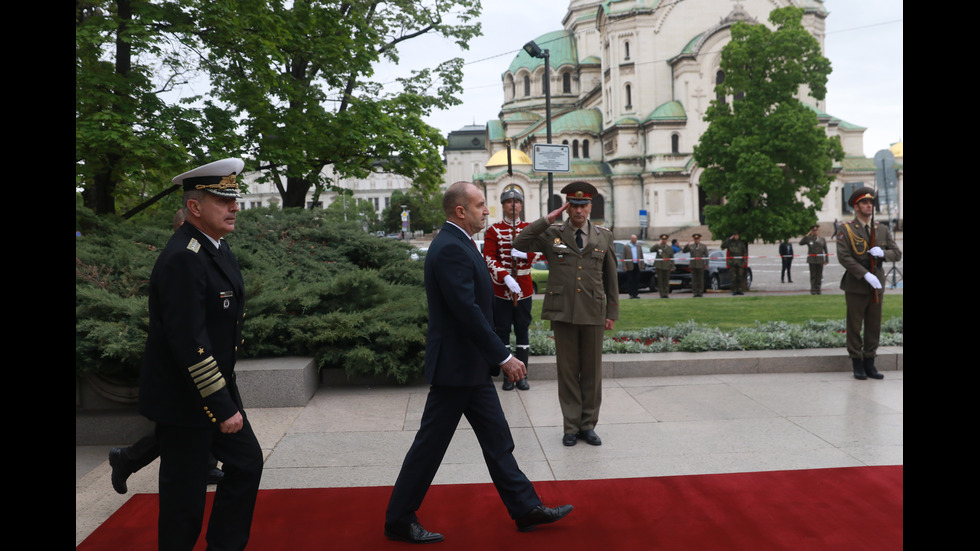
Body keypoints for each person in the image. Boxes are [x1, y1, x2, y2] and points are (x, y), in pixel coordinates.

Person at [384, 182, 573, 544]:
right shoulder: (451, 247)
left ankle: (524, 507)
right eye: (481, 205)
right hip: (456, 369)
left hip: (468, 368)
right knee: (430, 446)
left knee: (498, 438)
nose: (488, 210)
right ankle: (398, 519)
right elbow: (466, 311)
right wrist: (504, 356)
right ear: (461, 211)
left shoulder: (460, 242)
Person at [138, 158, 263, 550]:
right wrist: (222, 406)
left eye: (234, 199)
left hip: (214, 390)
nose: (235, 207)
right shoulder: (183, 259)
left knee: (246, 464)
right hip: (185, 398)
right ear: (195, 207)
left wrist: (225, 399)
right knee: (184, 503)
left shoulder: (216, 248)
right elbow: (189, 343)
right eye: (223, 200)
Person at [109, 208, 223, 496]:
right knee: (184, 424)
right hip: (186, 365)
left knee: (189, 423)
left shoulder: (204, 253)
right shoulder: (182, 258)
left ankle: (129, 459)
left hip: (206, 359)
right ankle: (129, 458)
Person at [513, 182, 619, 447]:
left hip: (594, 311)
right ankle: (571, 426)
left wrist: (612, 312)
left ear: (590, 207)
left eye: (584, 205)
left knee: (592, 373)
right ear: (567, 207)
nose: (579, 210)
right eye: (574, 205)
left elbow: (611, 278)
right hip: (563, 312)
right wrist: (546, 219)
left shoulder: (603, 236)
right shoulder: (552, 234)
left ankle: (588, 425)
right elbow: (520, 241)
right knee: (568, 372)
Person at [836, 187, 902, 380]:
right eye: (864, 203)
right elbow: (844, 257)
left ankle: (870, 363)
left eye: (871, 203)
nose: (869, 206)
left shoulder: (880, 229)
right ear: (856, 207)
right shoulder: (846, 229)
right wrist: (864, 274)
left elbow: (897, 253)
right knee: (855, 325)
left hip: (877, 284)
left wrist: (883, 254)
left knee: (874, 325)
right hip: (857, 285)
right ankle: (857, 363)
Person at [483, 185, 537, 391]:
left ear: (521, 206)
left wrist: (524, 255)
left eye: (516, 202)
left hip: (524, 288)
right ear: (503, 206)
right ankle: (508, 377)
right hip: (501, 290)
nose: (512, 205)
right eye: (508, 202)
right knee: (502, 331)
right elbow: (488, 257)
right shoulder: (494, 230)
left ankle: (522, 377)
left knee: (522, 331)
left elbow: (540, 251)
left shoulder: (530, 229)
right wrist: (504, 276)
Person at [800, 225, 829, 295]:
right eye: (814, 231)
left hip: (820, 260)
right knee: (813, 275)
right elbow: (801, 243)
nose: (815, 232)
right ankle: (813, 290)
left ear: (818, 231)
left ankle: (818, 289)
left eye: (816, 231)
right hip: (812, 260)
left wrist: (826, 260)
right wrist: (807, 234)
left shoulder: (822, 239)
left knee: (819, 275)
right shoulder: (809, 239)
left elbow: (825, 250)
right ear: (812, 232)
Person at [682, 233, 708, 297]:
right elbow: (684, 251)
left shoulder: (703, 246)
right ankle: (695, 292)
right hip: (693, 265)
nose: (696, 240)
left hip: (700, 265)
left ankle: (700, 292)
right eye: (695, 239)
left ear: (700, 239)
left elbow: (706, 256)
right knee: (694, 280)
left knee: (700, 279)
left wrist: (706, 264)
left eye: (697, 239)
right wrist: (687, 244)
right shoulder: (691, 246)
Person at [649, 233, 674, 298]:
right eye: (663, 239)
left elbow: (672, 258)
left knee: (666, 280)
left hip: (667, 266)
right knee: (660, 281)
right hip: (659, 266)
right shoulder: (658, 247)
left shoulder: (669, 248)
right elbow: (651, 250)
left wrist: (672, 266)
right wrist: (657, 244)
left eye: (665, 239)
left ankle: (666, 293)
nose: (664, 240)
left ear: (667, 240)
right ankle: (661, 293)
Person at [621, 234, 645, 299]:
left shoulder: (639, 246)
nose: (635, 240)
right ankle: (631, 294)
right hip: (630, 265)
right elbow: (624, 257)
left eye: (636, 239)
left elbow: (641, 256)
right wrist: (624, 266)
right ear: (631, 239)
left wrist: (642, 265)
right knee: (630, 280)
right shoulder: (626, 247)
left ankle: (636, 294)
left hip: (637, 265)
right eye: (634, 239)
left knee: (637, 280)